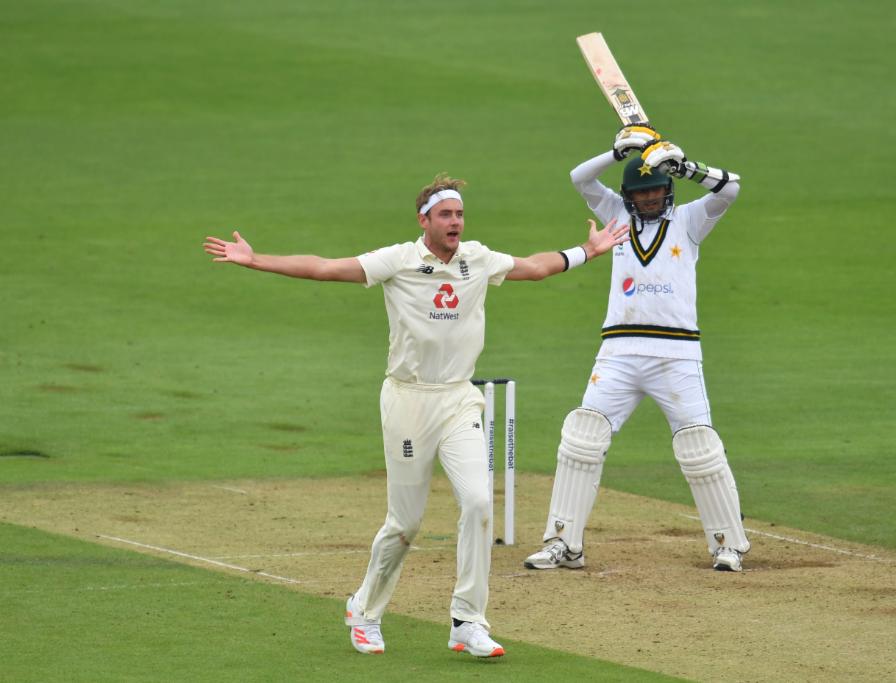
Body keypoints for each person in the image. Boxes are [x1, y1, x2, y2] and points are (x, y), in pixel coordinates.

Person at [203, 173, 627, 657]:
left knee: (479, 504)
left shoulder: (477, 259)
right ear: (424, 220)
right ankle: (365, 609)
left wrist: (588, 250)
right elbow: (324, 268)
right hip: (408, 400)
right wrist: (256, 259)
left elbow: (534, 267)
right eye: (445, 215)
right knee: (405, 524)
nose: (455, 222)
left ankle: (468, 621)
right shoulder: (398, 260)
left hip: (459, 399)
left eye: (459, 214)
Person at [523, 125, 751, 573]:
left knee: (699, 446)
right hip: (619, 351)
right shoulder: (616, 216)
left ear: (668, 189)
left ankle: (729, 545)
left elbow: (730, 189)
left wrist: (685, 167)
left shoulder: (689, 220)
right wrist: (616, 152)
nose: (648, 199)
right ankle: (564, 543)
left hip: (677, 354)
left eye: (656, 190)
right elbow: (579, 178)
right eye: (641, 193)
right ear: (628, 197)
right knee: (583, 436)